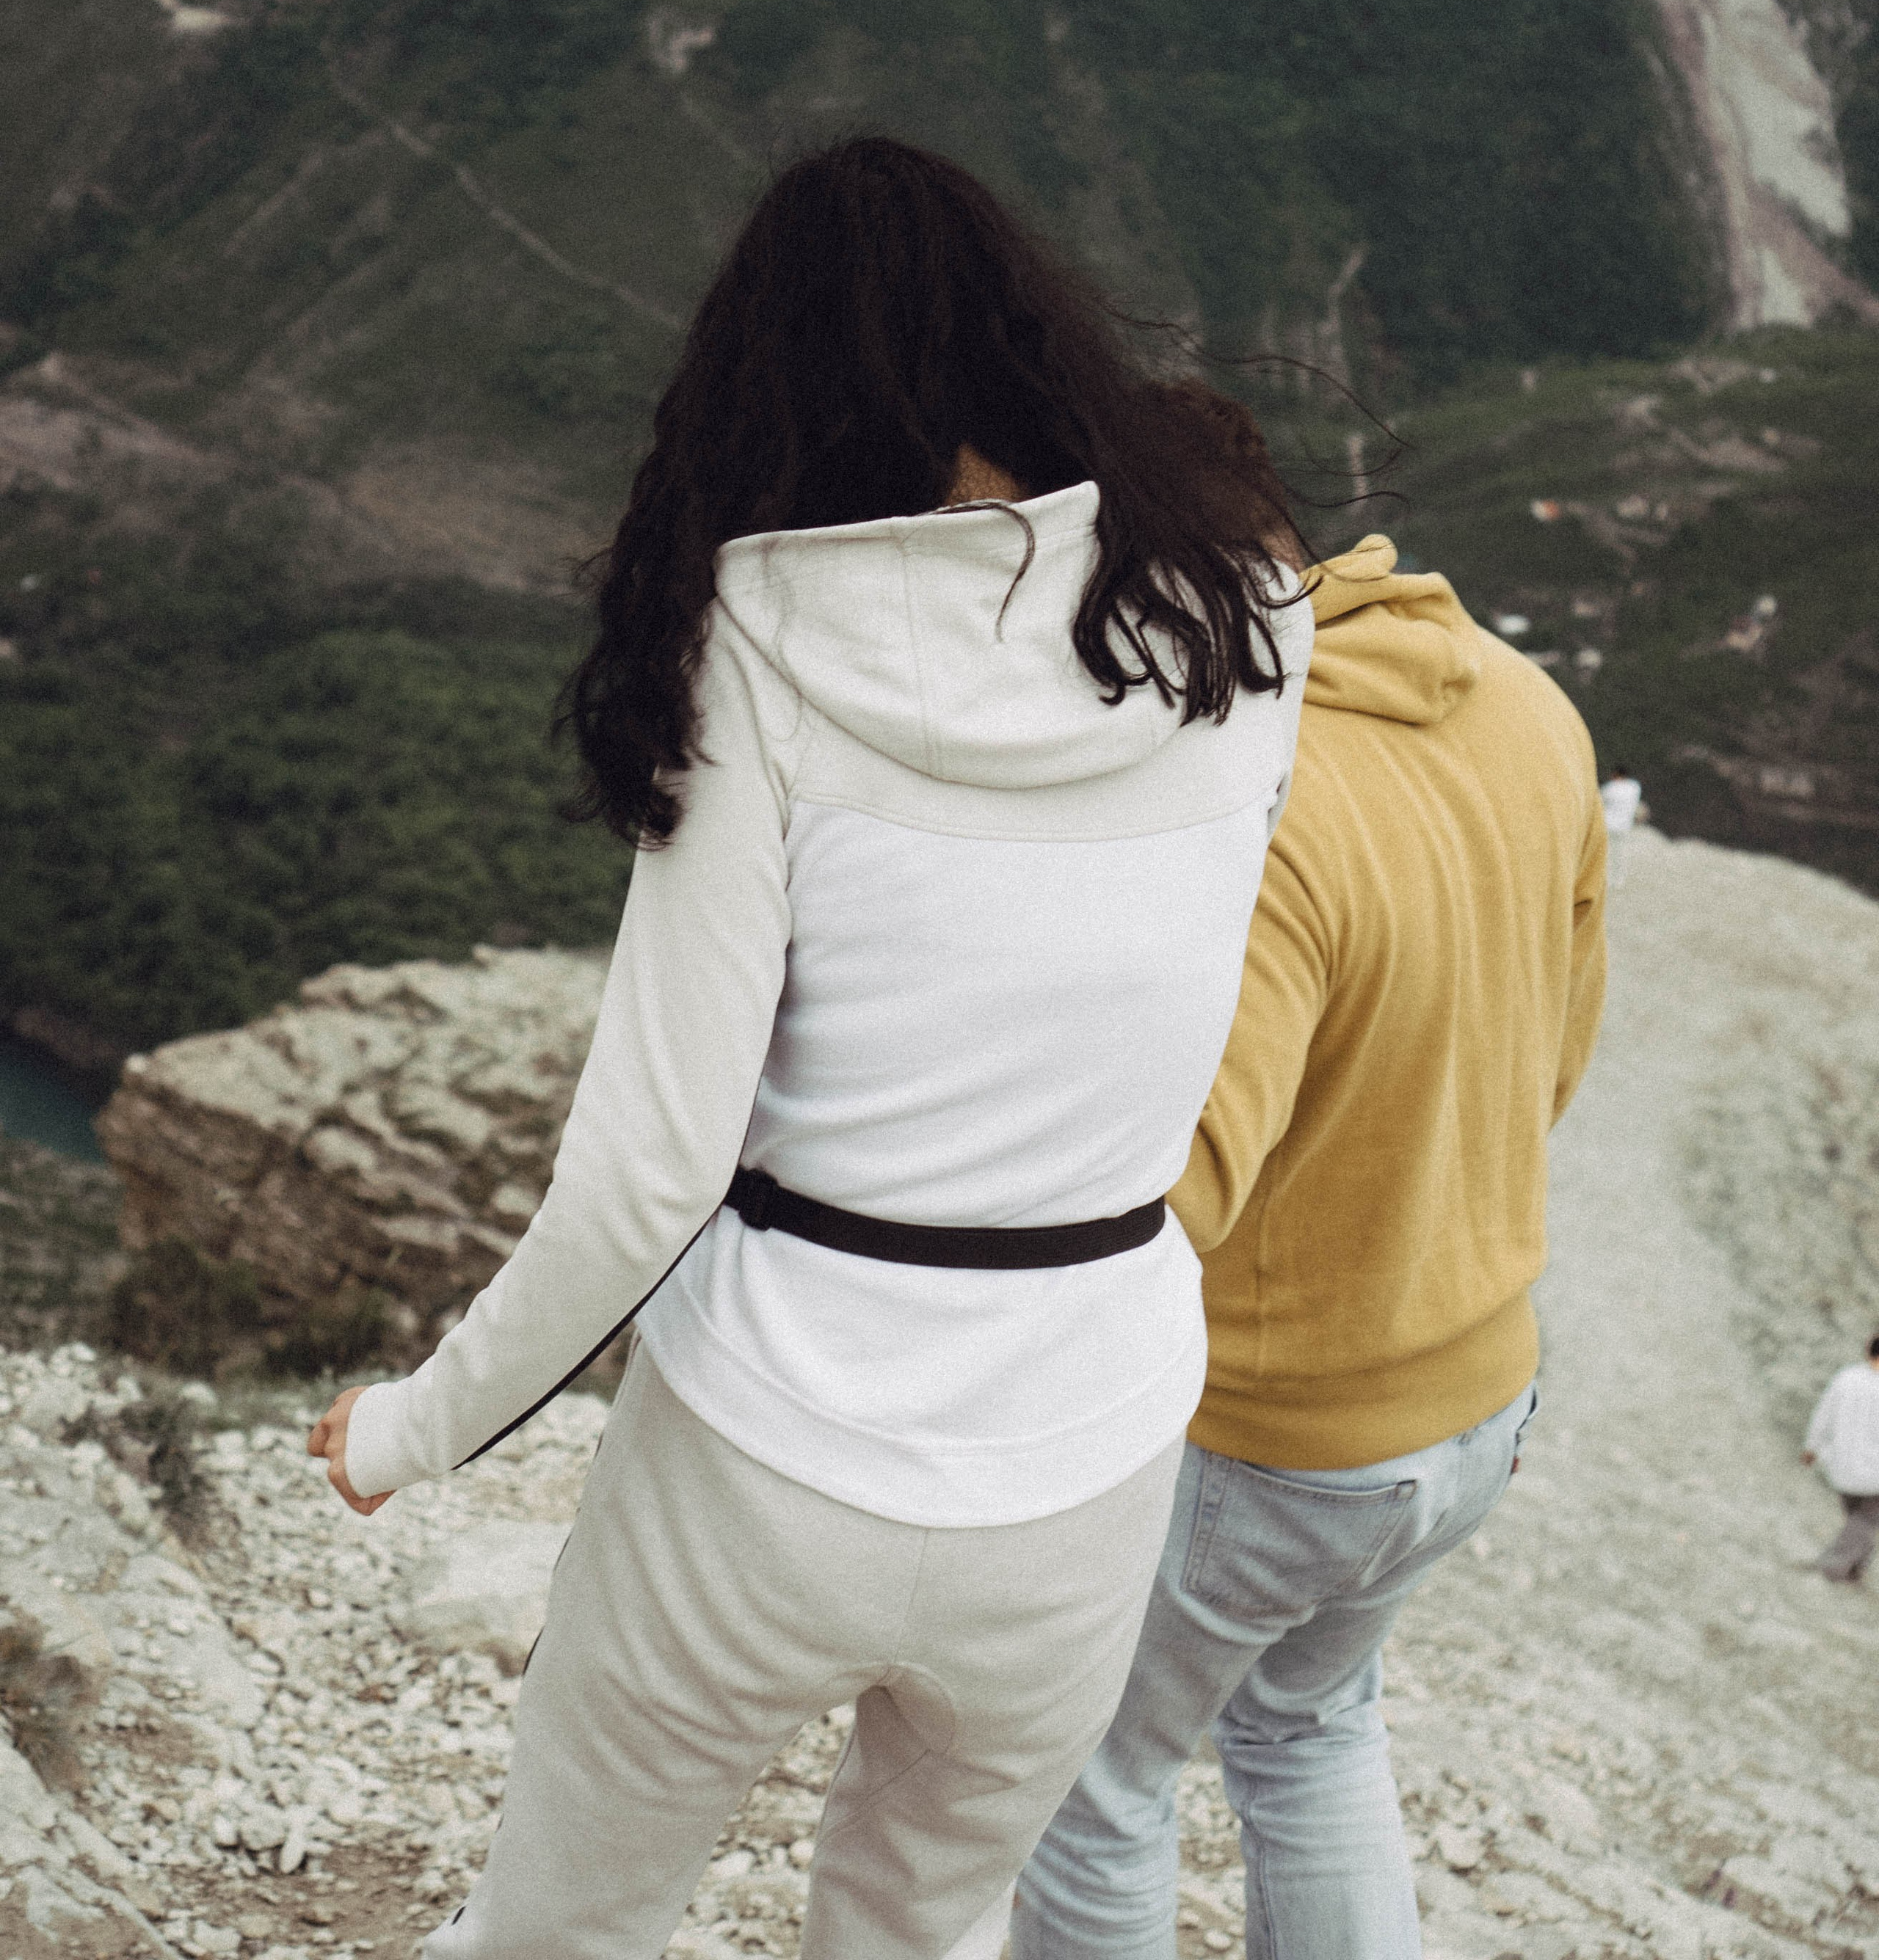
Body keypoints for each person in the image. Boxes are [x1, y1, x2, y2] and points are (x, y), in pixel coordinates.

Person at [307, 139, 1315, 1960]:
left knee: (562, 1927)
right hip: (1084, 1451)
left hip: (772, 1444)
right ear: (1030, 340)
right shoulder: (1249, 619)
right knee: (916, 1932)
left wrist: (409, 1429)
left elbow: (649, 1169)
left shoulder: (757, 635)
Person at [1003, 536, 1607, 1960]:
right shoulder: (1529, 706)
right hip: (1472, 1398)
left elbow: (1184, 1186)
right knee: (1309, 1731)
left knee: (1097, 1786)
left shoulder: (1266, 806)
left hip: (1268, 1435)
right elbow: (1557, 1064)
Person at [1803, 1334, 1879, 1581]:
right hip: (1873, 1475)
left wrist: (1811, 1447)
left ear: (1869, 1351)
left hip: (1841, 1467)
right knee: (1864, 1521)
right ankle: (1834, 1568)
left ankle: (1855, 1567)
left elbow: (1823, 1414)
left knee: (1857, 1520)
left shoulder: (1847, 1378)